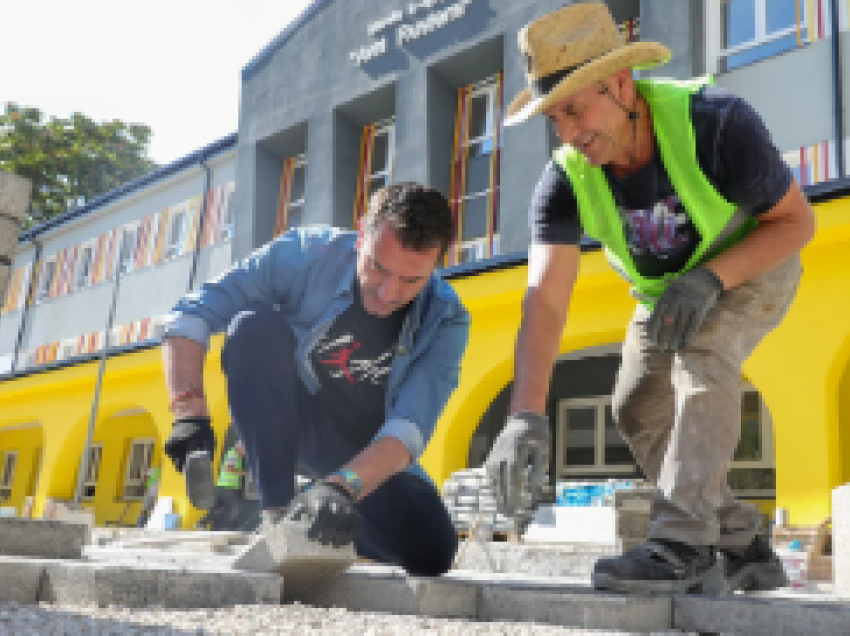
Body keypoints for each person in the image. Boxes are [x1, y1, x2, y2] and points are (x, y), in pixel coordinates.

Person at [484, 3, 815, 595]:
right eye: (553, 118)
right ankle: (741, 540)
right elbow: (545, 301)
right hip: (663, 293)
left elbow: (796, 223)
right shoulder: (564, 179)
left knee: (703, 355)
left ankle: (681, 544)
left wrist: (711, 279)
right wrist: (524, 416)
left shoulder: (716, 122)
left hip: (751, 266)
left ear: (619, 83)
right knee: (636, 408)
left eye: (575, 109)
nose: (566, 132)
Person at [161, 182, 469, 576]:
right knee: (253, 327)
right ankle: (278, 516)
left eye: (411, 281)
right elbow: (193, 313)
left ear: (436, 263)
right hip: (292, 421)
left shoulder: (447, 319)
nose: (389, 293)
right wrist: (188, 412)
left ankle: (322, 523)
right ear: (362, 234)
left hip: (367, 450)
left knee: (433, 549)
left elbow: (408, 430)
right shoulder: (305, 255)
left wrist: (341, 487)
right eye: (378, 266)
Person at [196, 441, 247, 530]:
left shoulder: (236, 455)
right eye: (244, 449)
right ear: (239, 447)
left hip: (223, 486)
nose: (245, 452)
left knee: (217, 507)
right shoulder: (233, 454)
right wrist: (242, 472)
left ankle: (202, 522)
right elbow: (229, 468)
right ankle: (230, 528)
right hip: (227, 486)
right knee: (233, 506)